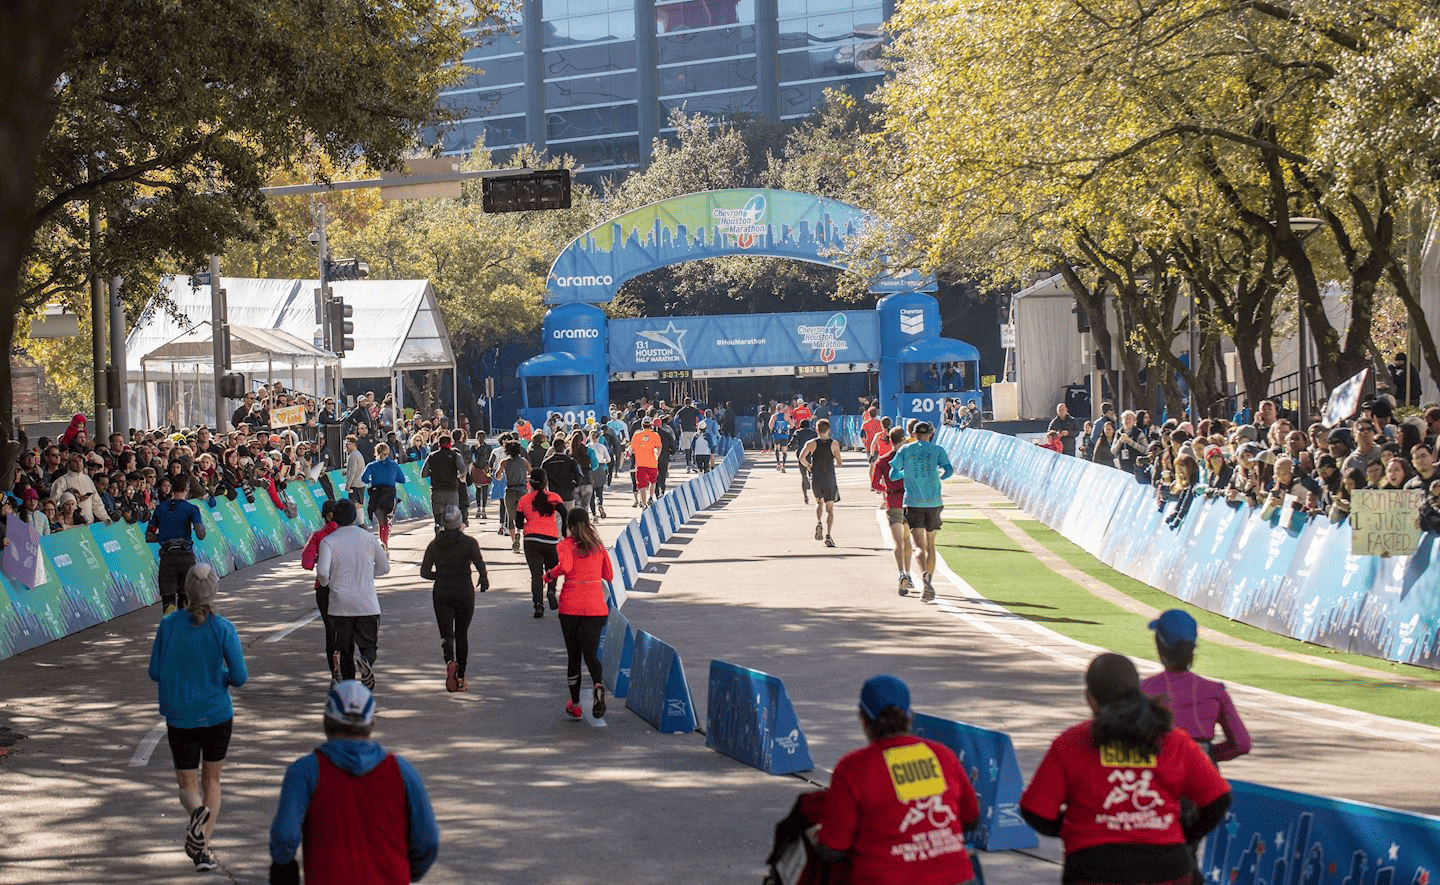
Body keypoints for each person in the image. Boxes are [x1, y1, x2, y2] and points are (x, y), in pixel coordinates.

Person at [1020, 653, 1231, 885]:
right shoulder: (1173, 740)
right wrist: (1185, 834)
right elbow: (1218, 799)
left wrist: (1074, 827)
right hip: (1166, 868)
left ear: (1090, 698)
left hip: (1092, 869)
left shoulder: (1071, 742)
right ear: (1138, 690)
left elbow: (1035, 810)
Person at [268, 681, 439, 885]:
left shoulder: (305, 772)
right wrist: (406, 872)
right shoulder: (403, 772)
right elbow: (427, 840)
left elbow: (285, 836)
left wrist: (283, 865)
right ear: (371, 723)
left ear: (326, 720)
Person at [814, 675, 980, 885]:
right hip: (956, 879)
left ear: (864, 720)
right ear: (910, 717)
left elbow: (832, 847)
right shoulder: (942, 755)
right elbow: (971, 817)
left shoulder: (853, 767)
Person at [148, 564, 247, 872]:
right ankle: (202, 848)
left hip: (180, 715)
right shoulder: (223, 628)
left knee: (186, 783)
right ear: (214, 591)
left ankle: (196, 814)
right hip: (217, 713)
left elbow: (154, 671)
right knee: (212, 780)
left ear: (186, 591)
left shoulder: (168, 625)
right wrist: (221, 676)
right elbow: (241, 677)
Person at [1141, 611, 1250, 764]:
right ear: (1192, 647)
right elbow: (1242, 744)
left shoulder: (1142, 690)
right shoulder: (1215, 692)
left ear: (1159, 646)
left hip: (1157, 777)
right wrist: (1206, 755)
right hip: (1203, 778)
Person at [543, 507, 613, 719]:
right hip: (596, 608)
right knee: (591, 654)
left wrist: (549, 575)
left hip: (571, 607)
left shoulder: (565, 545)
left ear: (570, 527)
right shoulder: (598, 547)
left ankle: (575, 705)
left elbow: (565, 566)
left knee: (574, 656)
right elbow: (608, 575)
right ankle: (598, 684)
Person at [316, 499, 391, 689]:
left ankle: (348, 691)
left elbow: (323, 573)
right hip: (367, 602)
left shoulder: (328, 542)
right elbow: (384, 567)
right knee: (369, 646)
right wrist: (368, 574)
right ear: (354, 517)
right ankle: (366, 661)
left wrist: (328, 583)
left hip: (339, 605)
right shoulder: (369, 538)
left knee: (345, 650)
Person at [420, 505, 488, 693]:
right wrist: (483, 578)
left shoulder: (434, 545)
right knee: (462, 633)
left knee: (447, 634)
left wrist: (441, 575)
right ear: (460, 523)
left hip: (441, 591)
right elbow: (480, 564)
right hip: (464, 591)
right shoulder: (469, 543)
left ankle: (450, 660)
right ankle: (461, 677)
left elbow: (424, 572)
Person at [888, 422, 954, 602]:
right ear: (930, 434)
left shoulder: (905, 450)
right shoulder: (937, 450)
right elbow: (949, 470)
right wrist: (940, 475)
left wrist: (906, 474)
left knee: (919, 546)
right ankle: (928, 580)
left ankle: (923, 575)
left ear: (914, 434)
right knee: (931, 544)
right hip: (934, 501)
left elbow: (893, 474)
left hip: (913, 502)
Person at [146, 473, 207, 614]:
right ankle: (184, 630)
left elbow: (149, 536)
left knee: (168, 600)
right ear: (187, 488)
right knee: (185, 600)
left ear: (172, 488)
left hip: (167, 557)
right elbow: (201, 535)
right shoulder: (192, 509)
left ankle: (170, 624)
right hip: (186, 556)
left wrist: (164, 537)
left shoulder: (160, 509)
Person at [515, 468, 567, 619]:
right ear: (545, 482)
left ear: (530, 483)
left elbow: (518, 524)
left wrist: (528, 523)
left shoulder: (524, 500)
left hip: (531, 540)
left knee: (536, 575)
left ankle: (538, 606)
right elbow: (564, 514)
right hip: (551, 539)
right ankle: (551, 590)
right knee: (552, 570)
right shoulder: (554, 497)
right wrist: (563, 532)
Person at [301, 499, 342, 682]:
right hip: (346, 586)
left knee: (330, 630)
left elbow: (306, 563)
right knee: (347, 627)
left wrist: (318, 558)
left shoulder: (318, 536)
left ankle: (334, 672)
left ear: (324, 516)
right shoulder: (349, 534)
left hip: (324, 589)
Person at [872, 427, 916, 595]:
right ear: (903, 439)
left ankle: (901, 573)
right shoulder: (910, 458)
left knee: (897, 541)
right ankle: (909, 573)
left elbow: (875, 484)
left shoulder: (883, 461)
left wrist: (887, 488)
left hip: (893, 501)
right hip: (910, 501)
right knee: (907, 540)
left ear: (890, 440)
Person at [799, 418, 843, 547]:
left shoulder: (811, 443)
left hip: (816, 477)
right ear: (828, 430)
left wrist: (809, 466)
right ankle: (828, 535)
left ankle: (819, 522)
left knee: (819, 503)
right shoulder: (834, 444)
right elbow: (839, 462)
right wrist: (837, 459)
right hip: (829, 478)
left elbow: (801, 457)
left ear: (817, 430)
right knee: (830, 508)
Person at [361, 442, 405, 550]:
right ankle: (384, 542)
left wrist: (373, 480)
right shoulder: (394, 465)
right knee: (387, 522)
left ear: (376, 452)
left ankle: (383, 543)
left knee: (381, 522)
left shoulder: (371, 465)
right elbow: (402, 479)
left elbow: (364, 479)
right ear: (388, 452)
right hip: (390, 495)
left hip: (376, 496)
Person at [420, 433, 466, 529]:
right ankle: (450, 538)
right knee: (452, 518)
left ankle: (439, 530)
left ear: (439, 444)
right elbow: (463, 471)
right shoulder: (455, 455)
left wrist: (433, 473)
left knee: (438, 517)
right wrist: (459, 476)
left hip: (437, 491)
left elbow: (423, 474)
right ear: (450, 444)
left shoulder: (431, 456)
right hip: (451, 491)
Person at [629, 420, 662, 509]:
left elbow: (632, 449)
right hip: (652, 463)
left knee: (641, 485)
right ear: (651, 425)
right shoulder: (655, 435)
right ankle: (651, 497)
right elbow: (659, 447)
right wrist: (657, 457)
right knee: (653, 481)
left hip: (640, 463)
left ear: (642, 425)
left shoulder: (637, 435)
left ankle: (644, 504)